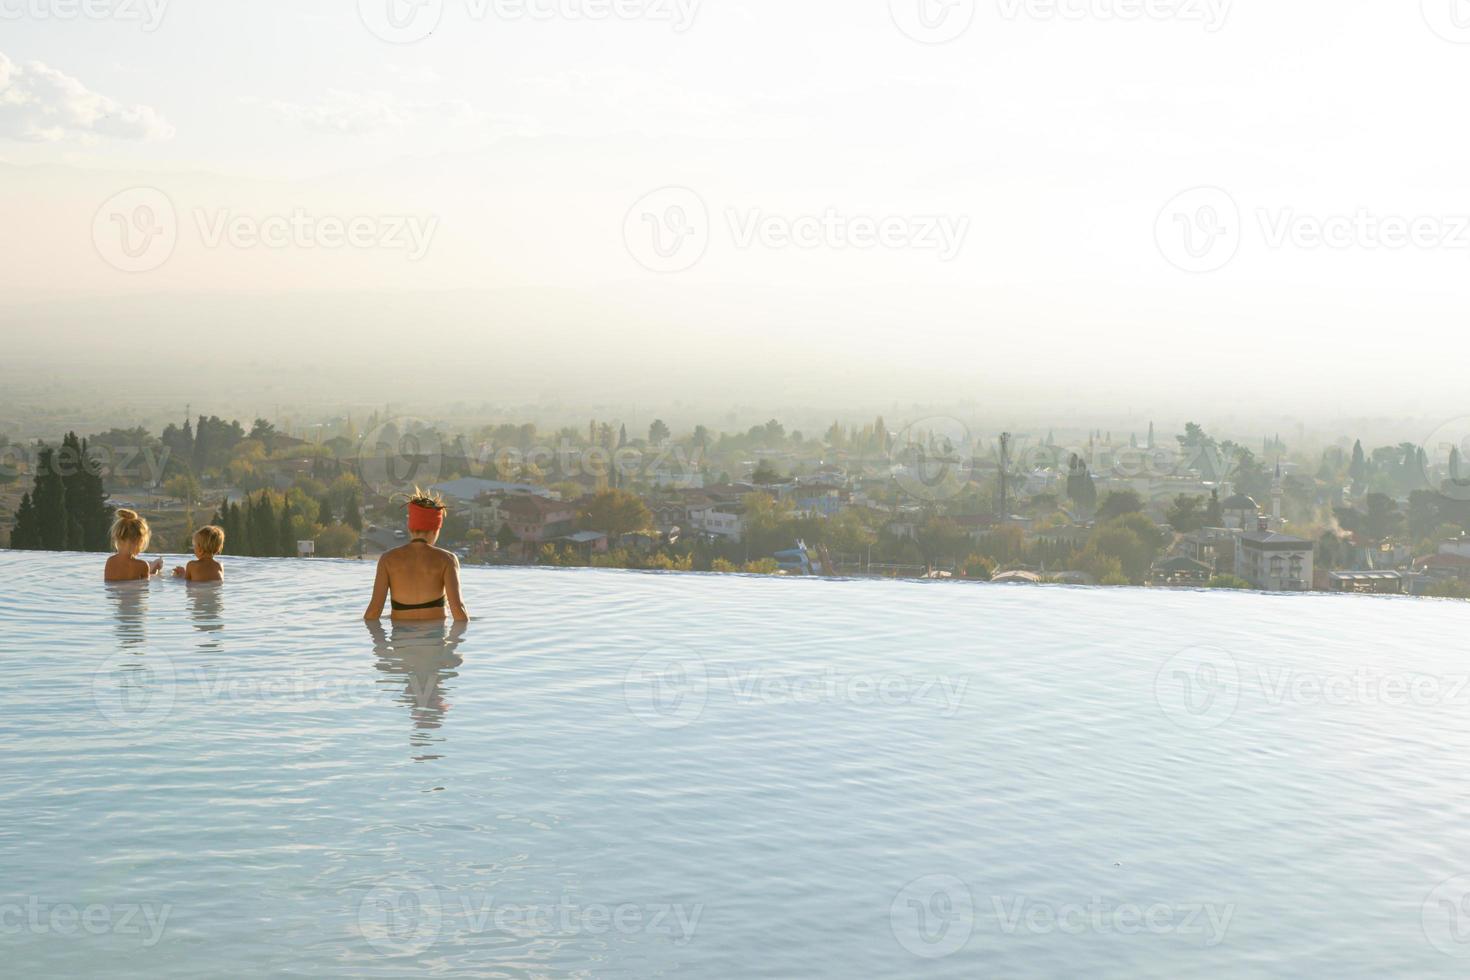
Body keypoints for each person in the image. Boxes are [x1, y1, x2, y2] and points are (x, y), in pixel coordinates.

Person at [364, 488, 470, 622]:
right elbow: (458, 611)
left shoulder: (387, 560)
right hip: (435, 638)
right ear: (436, 529)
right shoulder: (447, 560)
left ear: (410, 527)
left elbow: (373, 612)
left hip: (401, 637)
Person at [103, 509, 164, 582]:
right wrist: (155, 571)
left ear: (117, 538)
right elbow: (144, 588)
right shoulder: (142, 565)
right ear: (140, 541)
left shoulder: (110, 562)